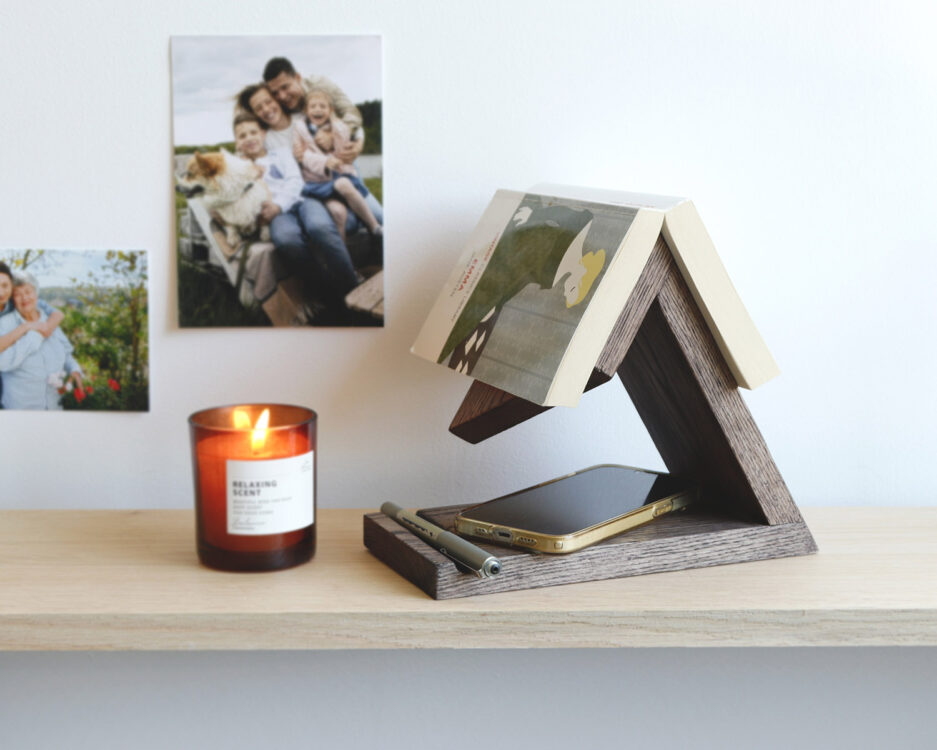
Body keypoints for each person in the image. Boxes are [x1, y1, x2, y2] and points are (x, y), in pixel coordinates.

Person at [232, 112, 361, 308]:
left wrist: (278, 205)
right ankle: (324, 290)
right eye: (242, 136)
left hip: (302, 201)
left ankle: (351, 285)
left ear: (263, 134)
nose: (249, 138)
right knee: (286, 239)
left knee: (320, 227)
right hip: (277, 215)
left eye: (253, 132)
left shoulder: (281, 153)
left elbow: (295, 181)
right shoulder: (241, 168)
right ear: (237, 142)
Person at [292, 87, 382, 241]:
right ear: (306, 111)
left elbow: (344, 150)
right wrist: (325, 162)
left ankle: (374, 227)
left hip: (340, 175)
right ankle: (342, 253)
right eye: (313, 107)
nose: (317, 110)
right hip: (318, 182)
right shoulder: (300, 129)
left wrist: (334, 133)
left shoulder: (339, 126)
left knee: (343, 184)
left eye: (322, 106)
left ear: (330, 110)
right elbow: (303, 155)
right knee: (338, 212)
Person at [0, 271, 82, 410]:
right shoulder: (4, 324)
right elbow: (2, 363)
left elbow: (66, 353)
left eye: (28, 291)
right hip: (20, 410)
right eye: (17, 294)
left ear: (37, 294)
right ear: (13, 300)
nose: (24, 297)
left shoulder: (50, 321)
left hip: (55, 406)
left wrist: (75, 370)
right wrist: (34, 334)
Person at [262, 56, 364, 167]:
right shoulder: (274, 105)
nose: (282, 96)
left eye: (285, 87)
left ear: (297, 77)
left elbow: (351, 113)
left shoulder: (321, 84)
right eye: (275, 92)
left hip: (338, 156)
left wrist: (338, 137)